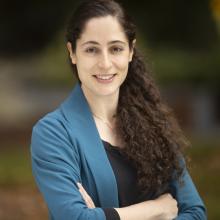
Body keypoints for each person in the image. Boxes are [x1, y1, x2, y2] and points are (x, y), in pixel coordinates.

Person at [30, 0, 207, 219]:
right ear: (72, 53)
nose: (105, 63)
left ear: (131, 51)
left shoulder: (153, 122)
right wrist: (155, 209)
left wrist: (102, 214)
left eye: (116, 48)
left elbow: (196, 213)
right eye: (92, 49)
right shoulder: (53, 133)